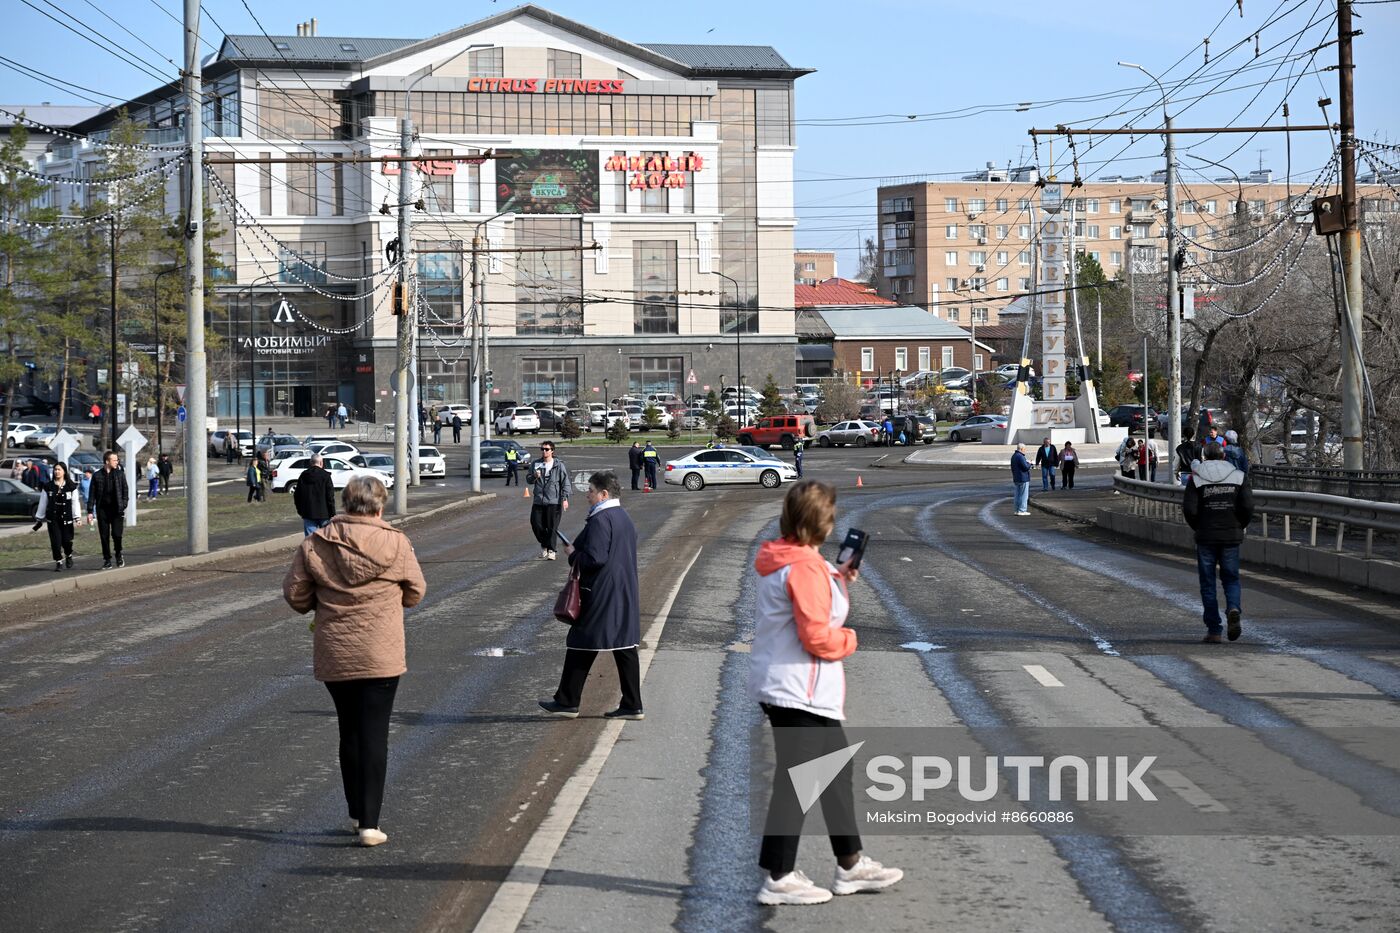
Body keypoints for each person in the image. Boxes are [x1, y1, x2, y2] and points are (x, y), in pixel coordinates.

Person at [749, 480, 903, 906]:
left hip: (794, 685)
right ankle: (779, 877)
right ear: (820, 521)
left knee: (834, 774)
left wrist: (840, 579)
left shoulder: (791, 558)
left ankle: (850, 864)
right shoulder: (804, 567)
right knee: (798, 781)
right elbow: (818, 636)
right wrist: (850, 640)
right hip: (799, 686)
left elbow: (811, 602)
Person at [283, 475, 426, 848]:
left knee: (349, 730)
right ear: (380, 506)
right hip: (382, 652)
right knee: (375, 733)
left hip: (336, 650)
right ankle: (369, 823)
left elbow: (295, 596)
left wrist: (323, 599)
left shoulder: (316, 543)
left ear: (345, 504)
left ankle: (354, 812)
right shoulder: (396, 542)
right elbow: (415, 592)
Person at [539, 471, 644, 720]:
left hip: (600, 593)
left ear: (603, 494)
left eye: (591, 491)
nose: (587, 495)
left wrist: (573, 554)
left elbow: (595, 558)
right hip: (623, 590)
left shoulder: (601, 519)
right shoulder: (623, 517)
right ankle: (632, 704)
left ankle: (567, 701)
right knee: (624, 646)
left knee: (581, 642)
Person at [1183, 444, 1254, 644]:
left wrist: (1199, 526)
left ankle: (1214, 630)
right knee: (1231, 578)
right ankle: (1233, 608)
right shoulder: (1238, 476)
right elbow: (1248, 506)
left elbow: (1189, 509)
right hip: (1231, 535)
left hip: (1206, 536)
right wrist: (1240, 525)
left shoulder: (1196, 478)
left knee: (1208, 583)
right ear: (1224, 456)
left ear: (1205, 457)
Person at [33, 461, 82, 572]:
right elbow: (43, 502)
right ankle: (58, 562)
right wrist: (39, 517)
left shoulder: (71, 486)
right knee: (56, 542)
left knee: (67, 541)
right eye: (55, 469)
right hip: (53, 519)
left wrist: (77, 517)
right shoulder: (48, 486)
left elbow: (75, 503)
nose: (57, 472)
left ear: (64, 471)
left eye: (59, 469)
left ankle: (68, 555)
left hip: (67, 519)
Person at [529, 442, 571, 560]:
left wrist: (565, 498)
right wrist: (534, 476)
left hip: (554, 501)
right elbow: (528, 479)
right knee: (536, 524)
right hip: (539, 500)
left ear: (552, 451)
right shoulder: (536, 463)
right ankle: (545, 545)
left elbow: (565, 482)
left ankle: (551, 550)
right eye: (542, 449)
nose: (544, 451)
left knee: (552, 527)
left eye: (547, 449)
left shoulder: (558, 465)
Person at [88, 450, 127, 569]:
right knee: (104, 536)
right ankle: (107, 559)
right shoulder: (97, 475)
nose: (117, 462)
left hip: (117, 510)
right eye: (114, 460)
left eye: (117, 460)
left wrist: (124, 504)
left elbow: (125, 491)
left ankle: (119, 554)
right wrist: (90, 511)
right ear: (107, 461)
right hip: (102, 510)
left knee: (117, 535)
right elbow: (92, 495)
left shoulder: (120, 474)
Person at [294, 453, 336, 536]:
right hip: (324, 512)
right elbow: (330, 496)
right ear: (321, 463)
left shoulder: (303, 476)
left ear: (311, 462)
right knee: (325, 538)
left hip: (308, 512)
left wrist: (300, 510)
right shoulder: (325, 476)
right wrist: (332, 512)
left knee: (310, 540)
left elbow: (297, 495)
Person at [1010, 443, 1031, 516]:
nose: (1025, 451)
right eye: (1024, 449)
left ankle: (1017, 510)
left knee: (1017, 495)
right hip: (1023, 478)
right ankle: (1022, 510)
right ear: (1021, 449)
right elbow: (1025, 467)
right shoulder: (1020, 456)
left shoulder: (1014, 456)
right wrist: (1029, 464)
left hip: (1016, 478)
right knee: (1024, 495)